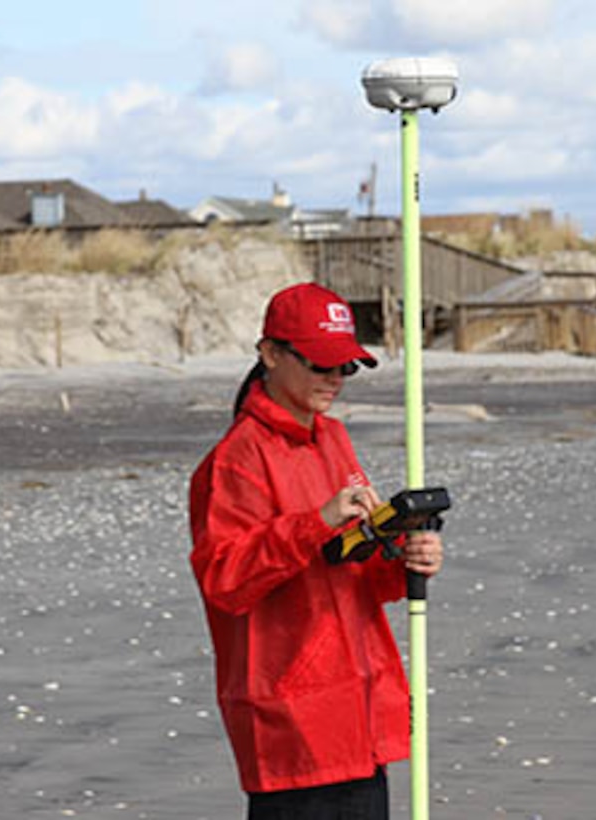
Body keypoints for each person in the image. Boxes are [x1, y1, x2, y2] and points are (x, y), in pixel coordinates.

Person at [188, 282, 444, 820]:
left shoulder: (332, 439)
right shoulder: (236, 460)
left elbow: (356, 570)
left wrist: (404, 558)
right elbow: (224, 578)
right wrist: (316, 522)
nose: (334, 380)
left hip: (359, 713)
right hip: (291, 723)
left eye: (345, 368)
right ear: (271, 354)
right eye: (320, 365)